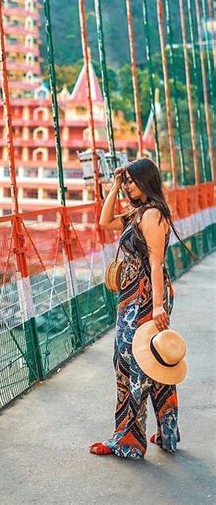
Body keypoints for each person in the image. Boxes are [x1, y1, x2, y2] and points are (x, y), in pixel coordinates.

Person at [89, 157, 195, 459]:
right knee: (155, 363)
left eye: (131, 182)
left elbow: (156, 263)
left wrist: (158, 306)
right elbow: (103, 221)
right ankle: (168, 433)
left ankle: (129, 442)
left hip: (144, 299)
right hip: (136, 297)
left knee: (131, 365)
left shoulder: (151, 215)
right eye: (126, 183)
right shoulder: (139, 213)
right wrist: (113, 185)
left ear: (146, 181)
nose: (127, 187)